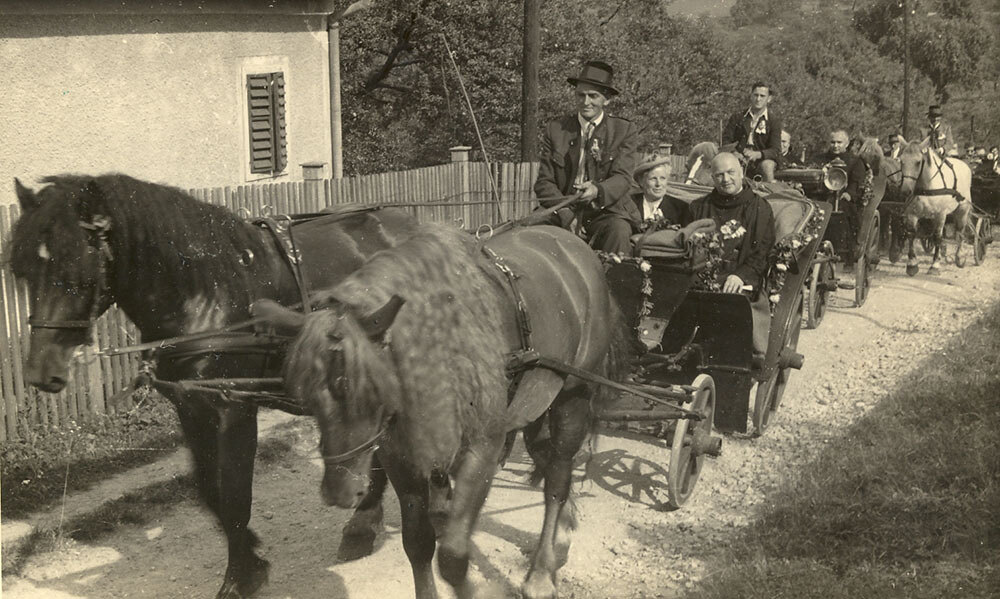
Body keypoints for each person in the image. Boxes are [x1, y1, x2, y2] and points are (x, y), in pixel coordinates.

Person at [534, 60, 639, 254]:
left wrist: (597, 190)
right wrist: (564, 212)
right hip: (561, 209)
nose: (586, 102)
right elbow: (544, 182)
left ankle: (614, 284)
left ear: (606, 100)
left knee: (619, 231)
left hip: (606, 212)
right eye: (580, 95)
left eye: (593, 96)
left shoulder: (623, 131)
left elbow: (622, 178)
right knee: (529, 233)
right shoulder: (557, 129)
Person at [686, 152, 775, 352]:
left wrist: (740, 276)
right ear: (712, 177)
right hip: (701, 277)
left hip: (738, 278)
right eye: (719, 175)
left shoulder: (759, 208)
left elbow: (762, 252)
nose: (726, 180)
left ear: (742, 172)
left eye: (731, 172)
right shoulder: (699, 207)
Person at [721, 81, 783, 182]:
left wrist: (758, 154)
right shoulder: (738, 117)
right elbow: (726, 140)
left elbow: (775, 150)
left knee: (767, 166)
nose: (758, 99)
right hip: (739, 158)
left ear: (769, 99)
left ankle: (770, 196)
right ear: (751, 96)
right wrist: (734, 153)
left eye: (762, 96)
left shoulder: (773, 121)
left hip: (761, 161)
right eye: (755, 95)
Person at [631, 152, 690, 228]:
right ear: (641, 181)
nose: (658, 184)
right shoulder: (630, 204)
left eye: (662, 178)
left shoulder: (681, 209)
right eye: (653, 178)